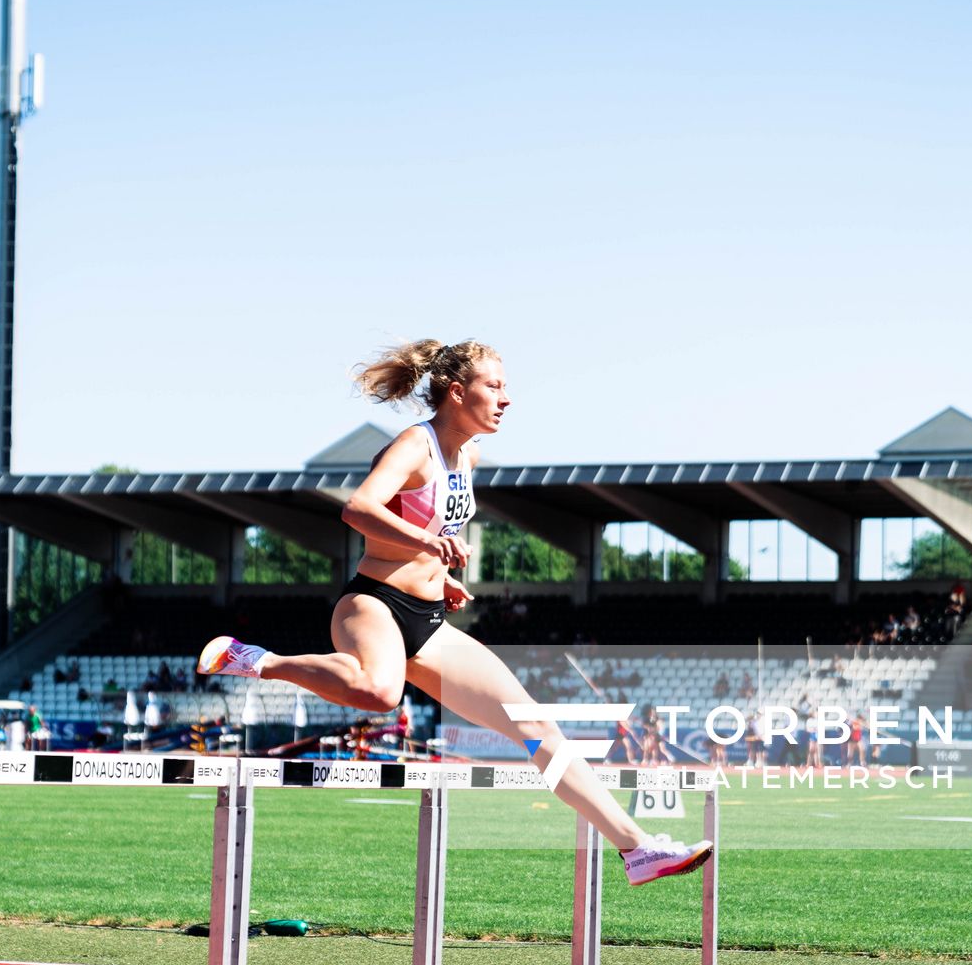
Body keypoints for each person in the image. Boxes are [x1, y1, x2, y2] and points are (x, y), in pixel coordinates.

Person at [197, 339, 711, 887]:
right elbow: (360, 508)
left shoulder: (467, 456)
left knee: (536, 727)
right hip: (373, 603)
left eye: (506, 387)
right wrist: (427, 544)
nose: (506, 398)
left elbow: (429, 528)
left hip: (427, 619)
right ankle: (255, 659)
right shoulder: (416, 444)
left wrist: (441, 576)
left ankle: (636, 850)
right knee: (379, 692)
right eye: (495, 386)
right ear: (458, 392)